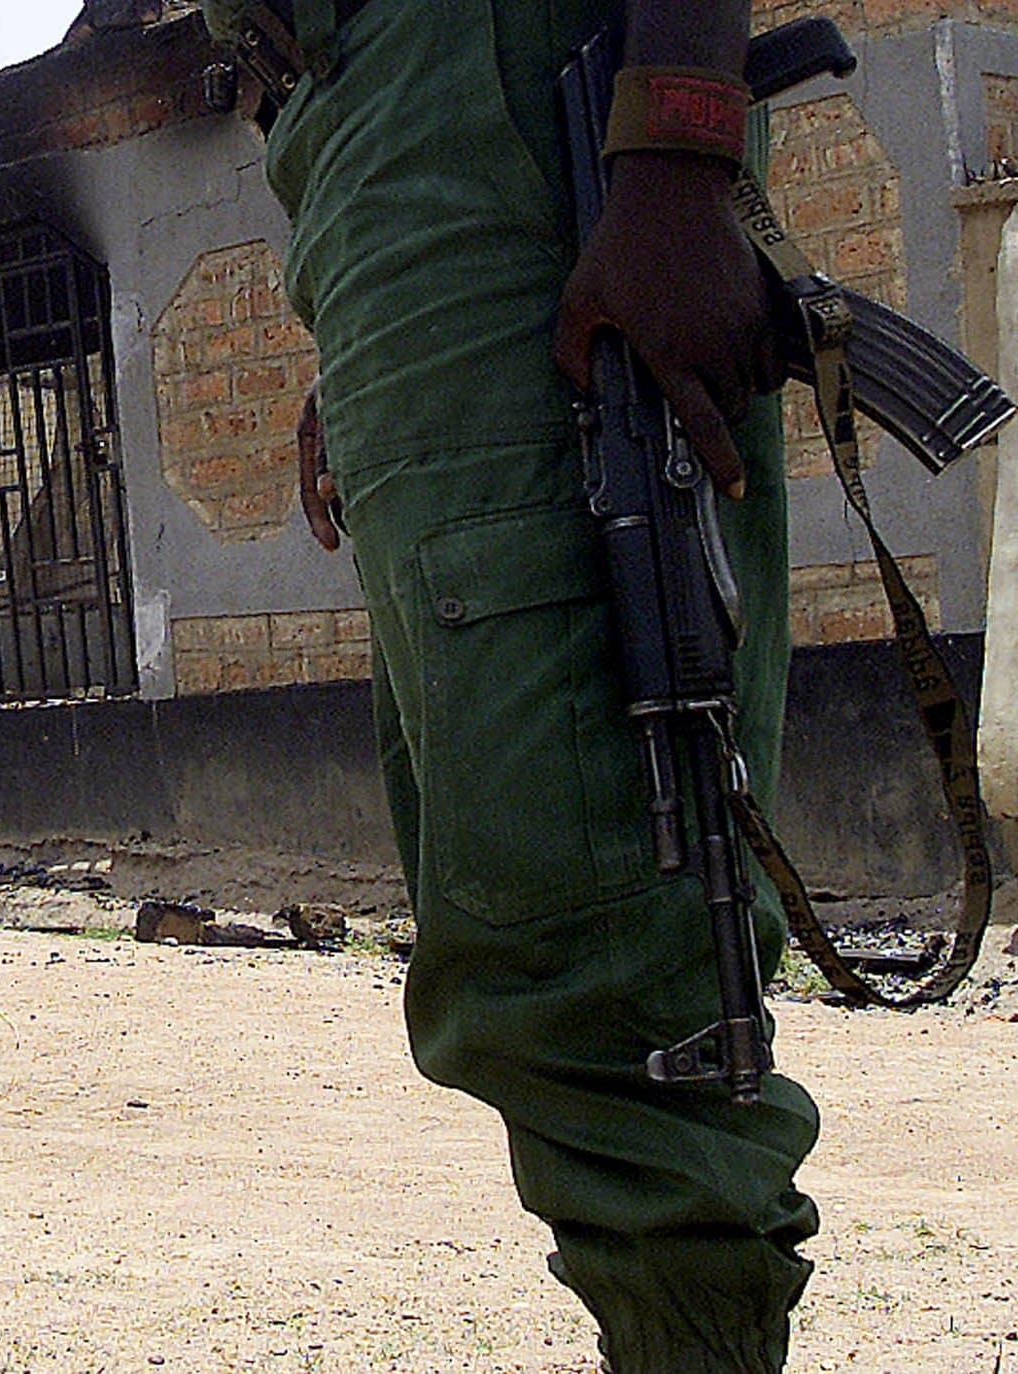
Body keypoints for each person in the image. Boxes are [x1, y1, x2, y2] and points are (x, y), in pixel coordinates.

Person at [199, 2, 818, 1371]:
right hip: (367, 128)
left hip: (479, 62)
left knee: (604, 952)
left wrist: (676, 136)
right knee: (526, 919)